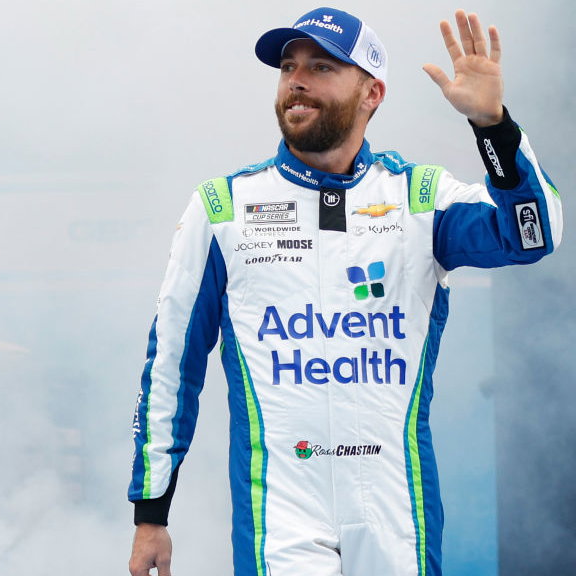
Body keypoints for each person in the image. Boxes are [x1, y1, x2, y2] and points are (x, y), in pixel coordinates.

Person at [127, 7, 562, 576]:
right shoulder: (223, 207)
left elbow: (533, 235)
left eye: (321, 67)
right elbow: (172, 362)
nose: (296, 80)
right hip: (280, 517)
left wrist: (494, 128)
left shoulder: (420, 197)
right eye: (288, 67)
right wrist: (151, 512)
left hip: (395, 512)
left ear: (371, 93)